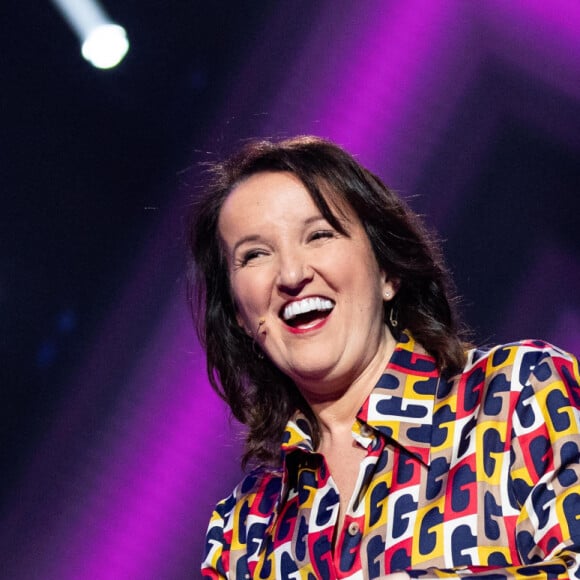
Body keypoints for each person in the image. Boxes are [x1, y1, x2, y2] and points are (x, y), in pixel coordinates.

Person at [189, 136, 580, 579]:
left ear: (387, 271)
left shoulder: (520, 395)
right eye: (255, 255)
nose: (292, 275)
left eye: (319, 235)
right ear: (240, 314)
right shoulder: (244, 532)